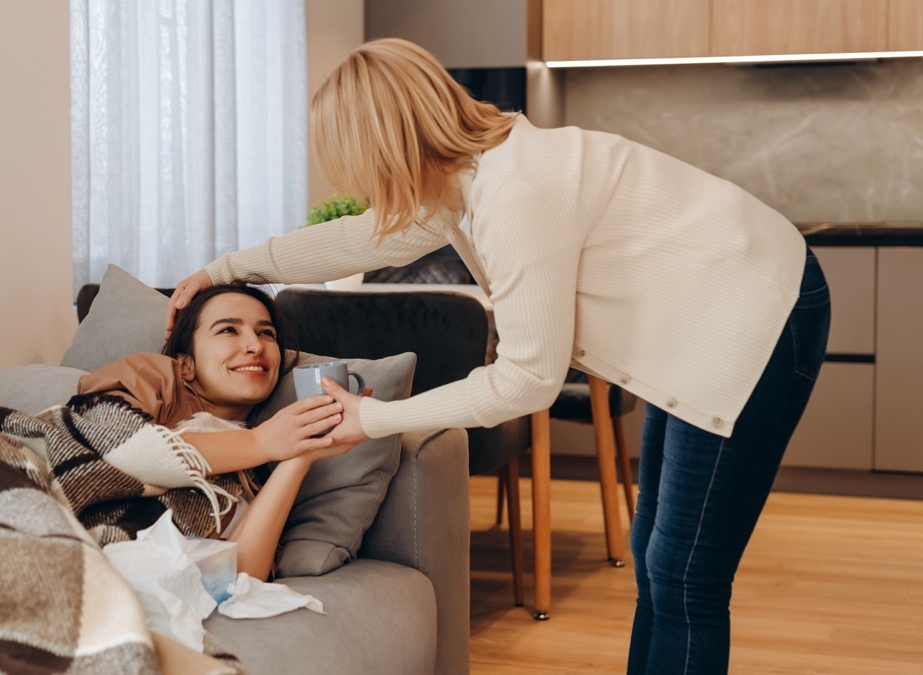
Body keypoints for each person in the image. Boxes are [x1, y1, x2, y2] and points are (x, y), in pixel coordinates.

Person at [164, 38, 830, 674]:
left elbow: (526, 382)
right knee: (656, 558)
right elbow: (360, 238)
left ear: (387, 146)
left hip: (755, 313)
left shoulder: (516, 194)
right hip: (698, 322)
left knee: (685, 575)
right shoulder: (463, 178)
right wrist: (227, 266)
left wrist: (372, 418)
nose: (362, 182)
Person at [81, 282, 358, 582]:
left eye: (266, 333)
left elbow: (236, 577)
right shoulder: (153, 377)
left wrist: (299, 456)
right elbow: (111, 443)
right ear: (186, 364)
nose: (255, 345)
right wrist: (262, 442)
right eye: (228, 330)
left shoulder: (255, 474)